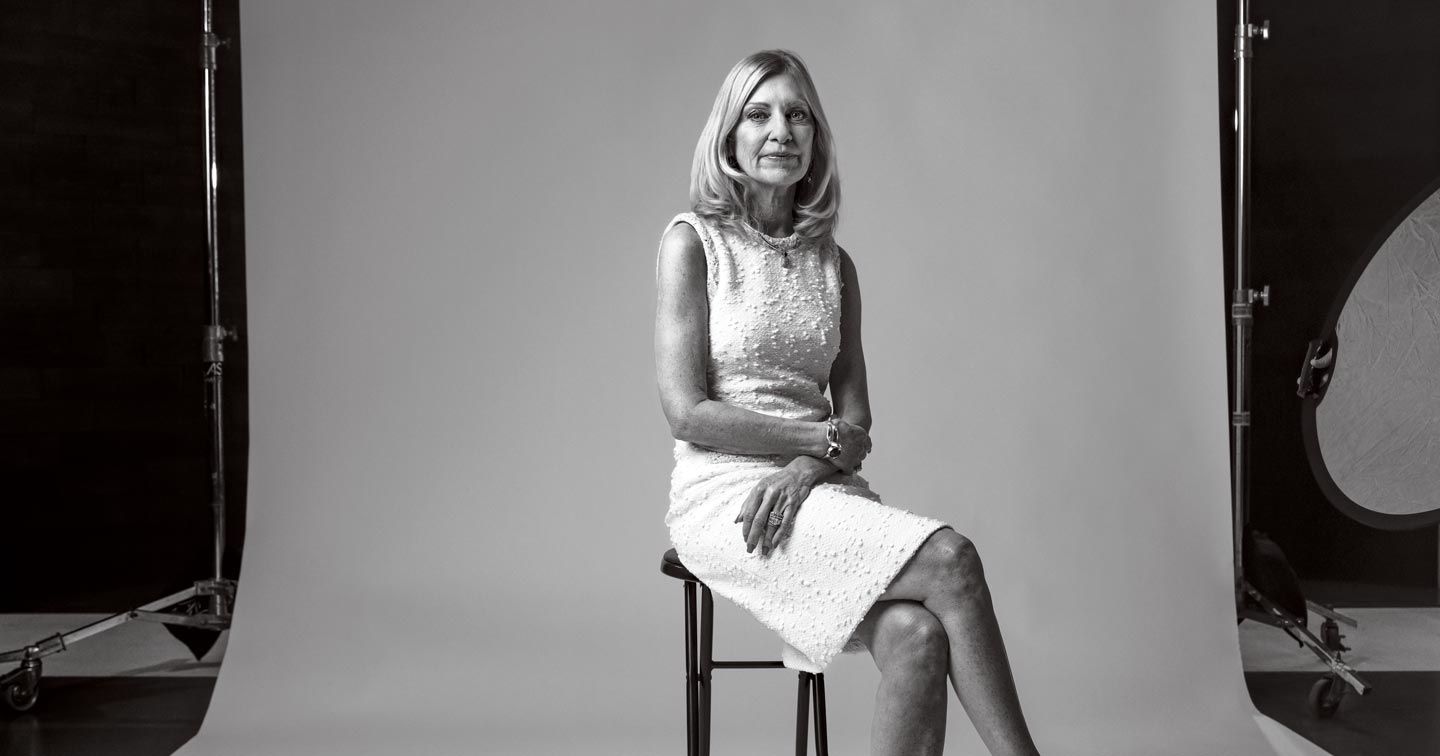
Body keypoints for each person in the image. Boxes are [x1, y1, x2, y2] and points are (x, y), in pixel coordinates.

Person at [653, 50, 1043, 756]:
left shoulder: (836, 266)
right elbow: (689, 413)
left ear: (816, 140)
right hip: (724, 497)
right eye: (759, 113)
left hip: (819, 486)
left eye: (797, 115)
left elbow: (856, 423)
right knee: (953, 561)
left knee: (918, 637)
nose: (780, 131)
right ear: (729, 137)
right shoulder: (693, 245)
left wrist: (810, 465)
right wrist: (815, 440)